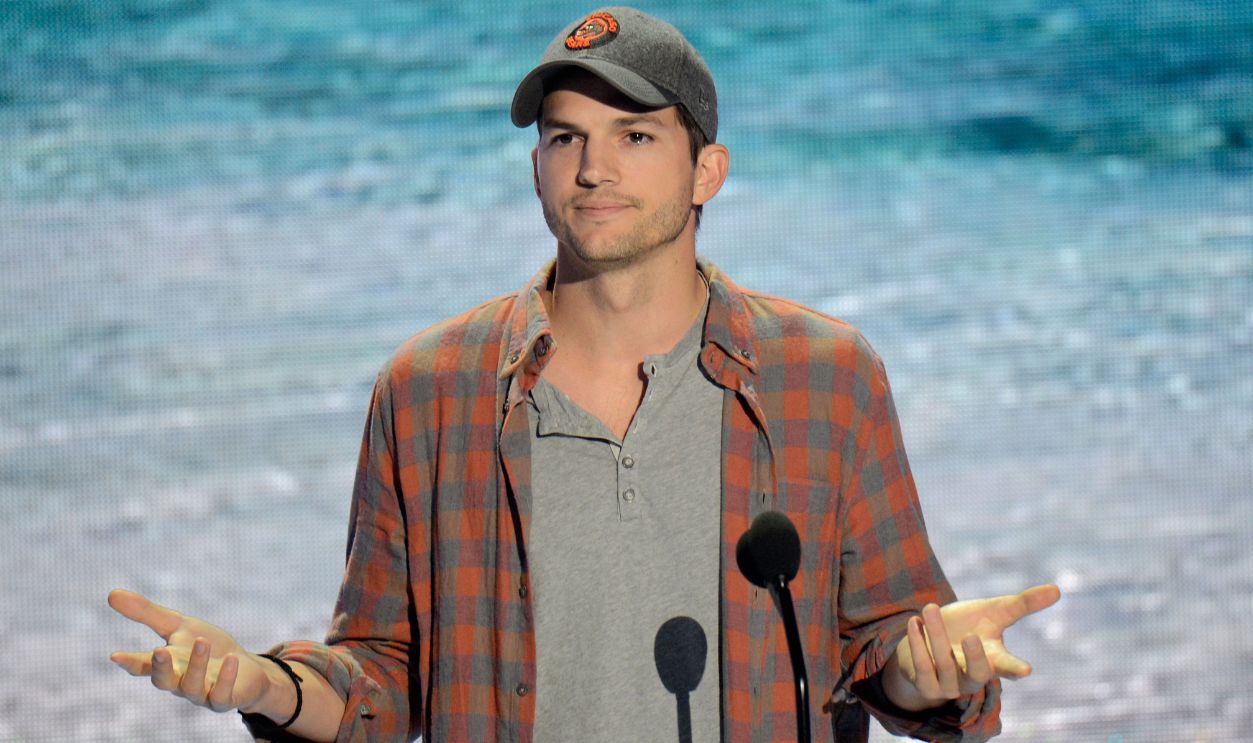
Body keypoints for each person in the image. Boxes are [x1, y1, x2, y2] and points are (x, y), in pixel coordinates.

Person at [109, 7, 1060, 742]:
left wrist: (933, 670)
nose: (593, 168)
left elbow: (885, 650)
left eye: (635, 136)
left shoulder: (826, 378)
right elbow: (383, 674)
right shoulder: (430, 387)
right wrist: (267, 686)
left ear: (706, 171)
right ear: (535, 170)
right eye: (566, 137)